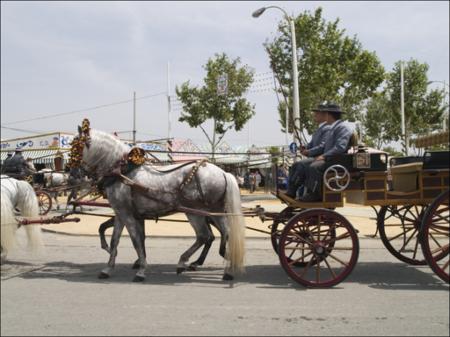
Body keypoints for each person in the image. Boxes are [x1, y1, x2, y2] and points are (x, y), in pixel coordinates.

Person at [299, 103, 354, 202]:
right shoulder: (334, 127)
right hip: (332, 159)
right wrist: (308, 149)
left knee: (314, 167)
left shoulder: (342, 128)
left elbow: (340, 147)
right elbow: (325, 146)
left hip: (338, 160)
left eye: (325, 114)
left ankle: (315, 195)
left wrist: (324, 156)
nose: (324, 116)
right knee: (311, 165)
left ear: (328, 115)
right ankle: (308, 192)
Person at [285, 104, 331, 198]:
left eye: (317, 113)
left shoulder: (328, 129)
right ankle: (291, 190)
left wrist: (308, 152)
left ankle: (300, 191)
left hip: (322, 158)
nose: (314, 115)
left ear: (324, 115)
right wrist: (304, 148)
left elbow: (322, 146)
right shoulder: (320, 128)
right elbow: (311, 144)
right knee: (295, 165)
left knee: (301, 165)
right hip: (315, 157)